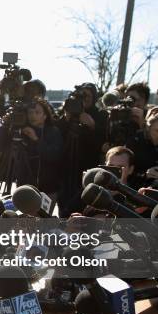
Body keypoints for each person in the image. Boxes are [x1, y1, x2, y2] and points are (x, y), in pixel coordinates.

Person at [57, 83, 108, 217]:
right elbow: (57, 134)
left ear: (95, 98)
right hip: (66, 168)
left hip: (87, 166)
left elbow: (103, 143)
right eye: (80, 95)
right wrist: (66, 118)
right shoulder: (68, 112)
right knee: (64, 203)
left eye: (87, 95)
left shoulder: (100, 115)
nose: (83, 98)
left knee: (83, 201)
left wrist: (92, 125)